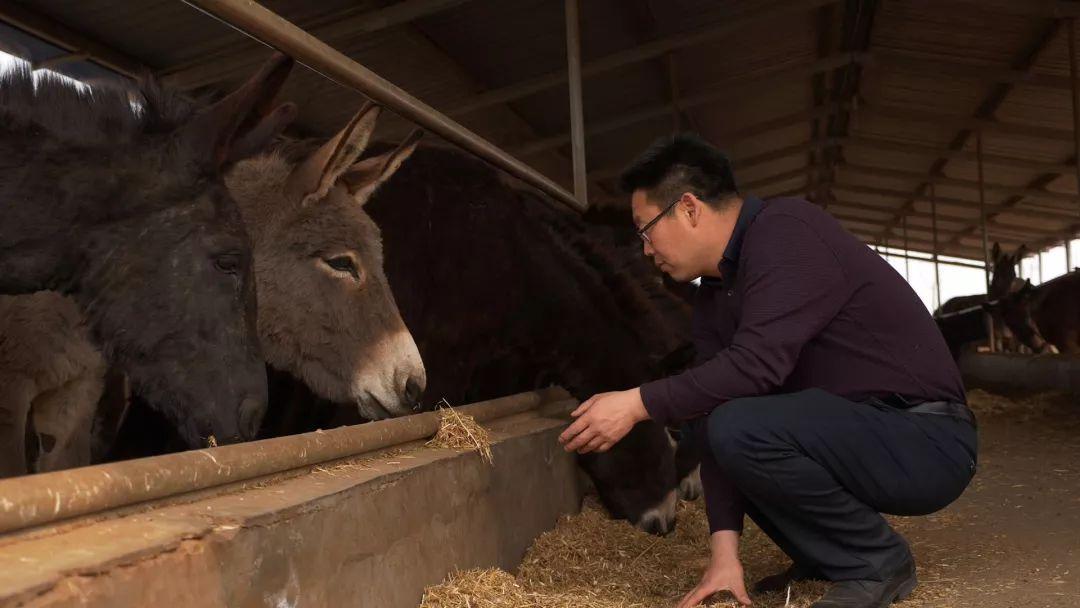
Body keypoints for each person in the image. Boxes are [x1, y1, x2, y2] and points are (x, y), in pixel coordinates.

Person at [558, 134, 977, 608]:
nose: (645, 249)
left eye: (645, 229)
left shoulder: (787, 232)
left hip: (926, 438)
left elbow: (755, 368)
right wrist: (724, 557)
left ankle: (875, 561)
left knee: (741, 424)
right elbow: (714, 411)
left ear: (689, 208)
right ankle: (829, 557)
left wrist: (637, 402)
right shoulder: (717, 296)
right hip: (863, 432)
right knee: (724, 421)